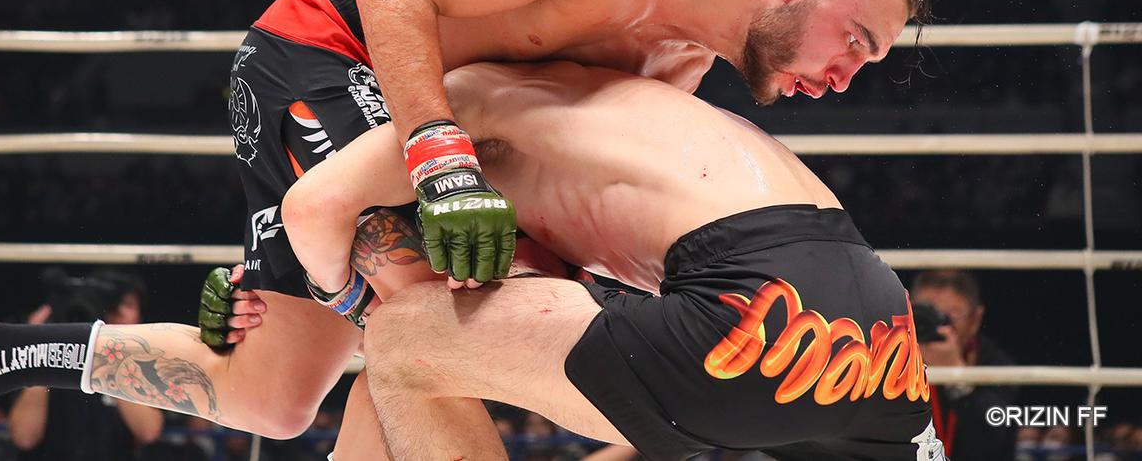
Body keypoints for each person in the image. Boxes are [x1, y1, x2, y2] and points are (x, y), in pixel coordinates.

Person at [201, 0, 925, 438]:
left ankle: (130, 339)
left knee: (274, 398)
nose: (843, 79)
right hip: (335, 49)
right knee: (435, 321)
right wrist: (442, 168)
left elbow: (542, 170)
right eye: (854, 41)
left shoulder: (681, 66)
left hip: (441, 111)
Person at [284, 61, 943, 460]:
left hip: (756, 312)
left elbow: (312, 208)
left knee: (403, 342)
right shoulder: (645, 88)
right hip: (878, 322)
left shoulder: (465, 107)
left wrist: (352, 303)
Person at [8, 272, 163, 461]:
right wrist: (42, 350)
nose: (119, 313)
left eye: (128, 306)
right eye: (112, 307)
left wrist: (111, 353)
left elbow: (148, 431)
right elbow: (24, 438)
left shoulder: (141, 364)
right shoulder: (52, 360)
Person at [911, 269, 1016, 461]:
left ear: (975, 320)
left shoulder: (995, 364)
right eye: (926, 313)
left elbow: (993, 443)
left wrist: (957, 377)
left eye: (951, 315)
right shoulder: (888, 357)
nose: (938, 325)